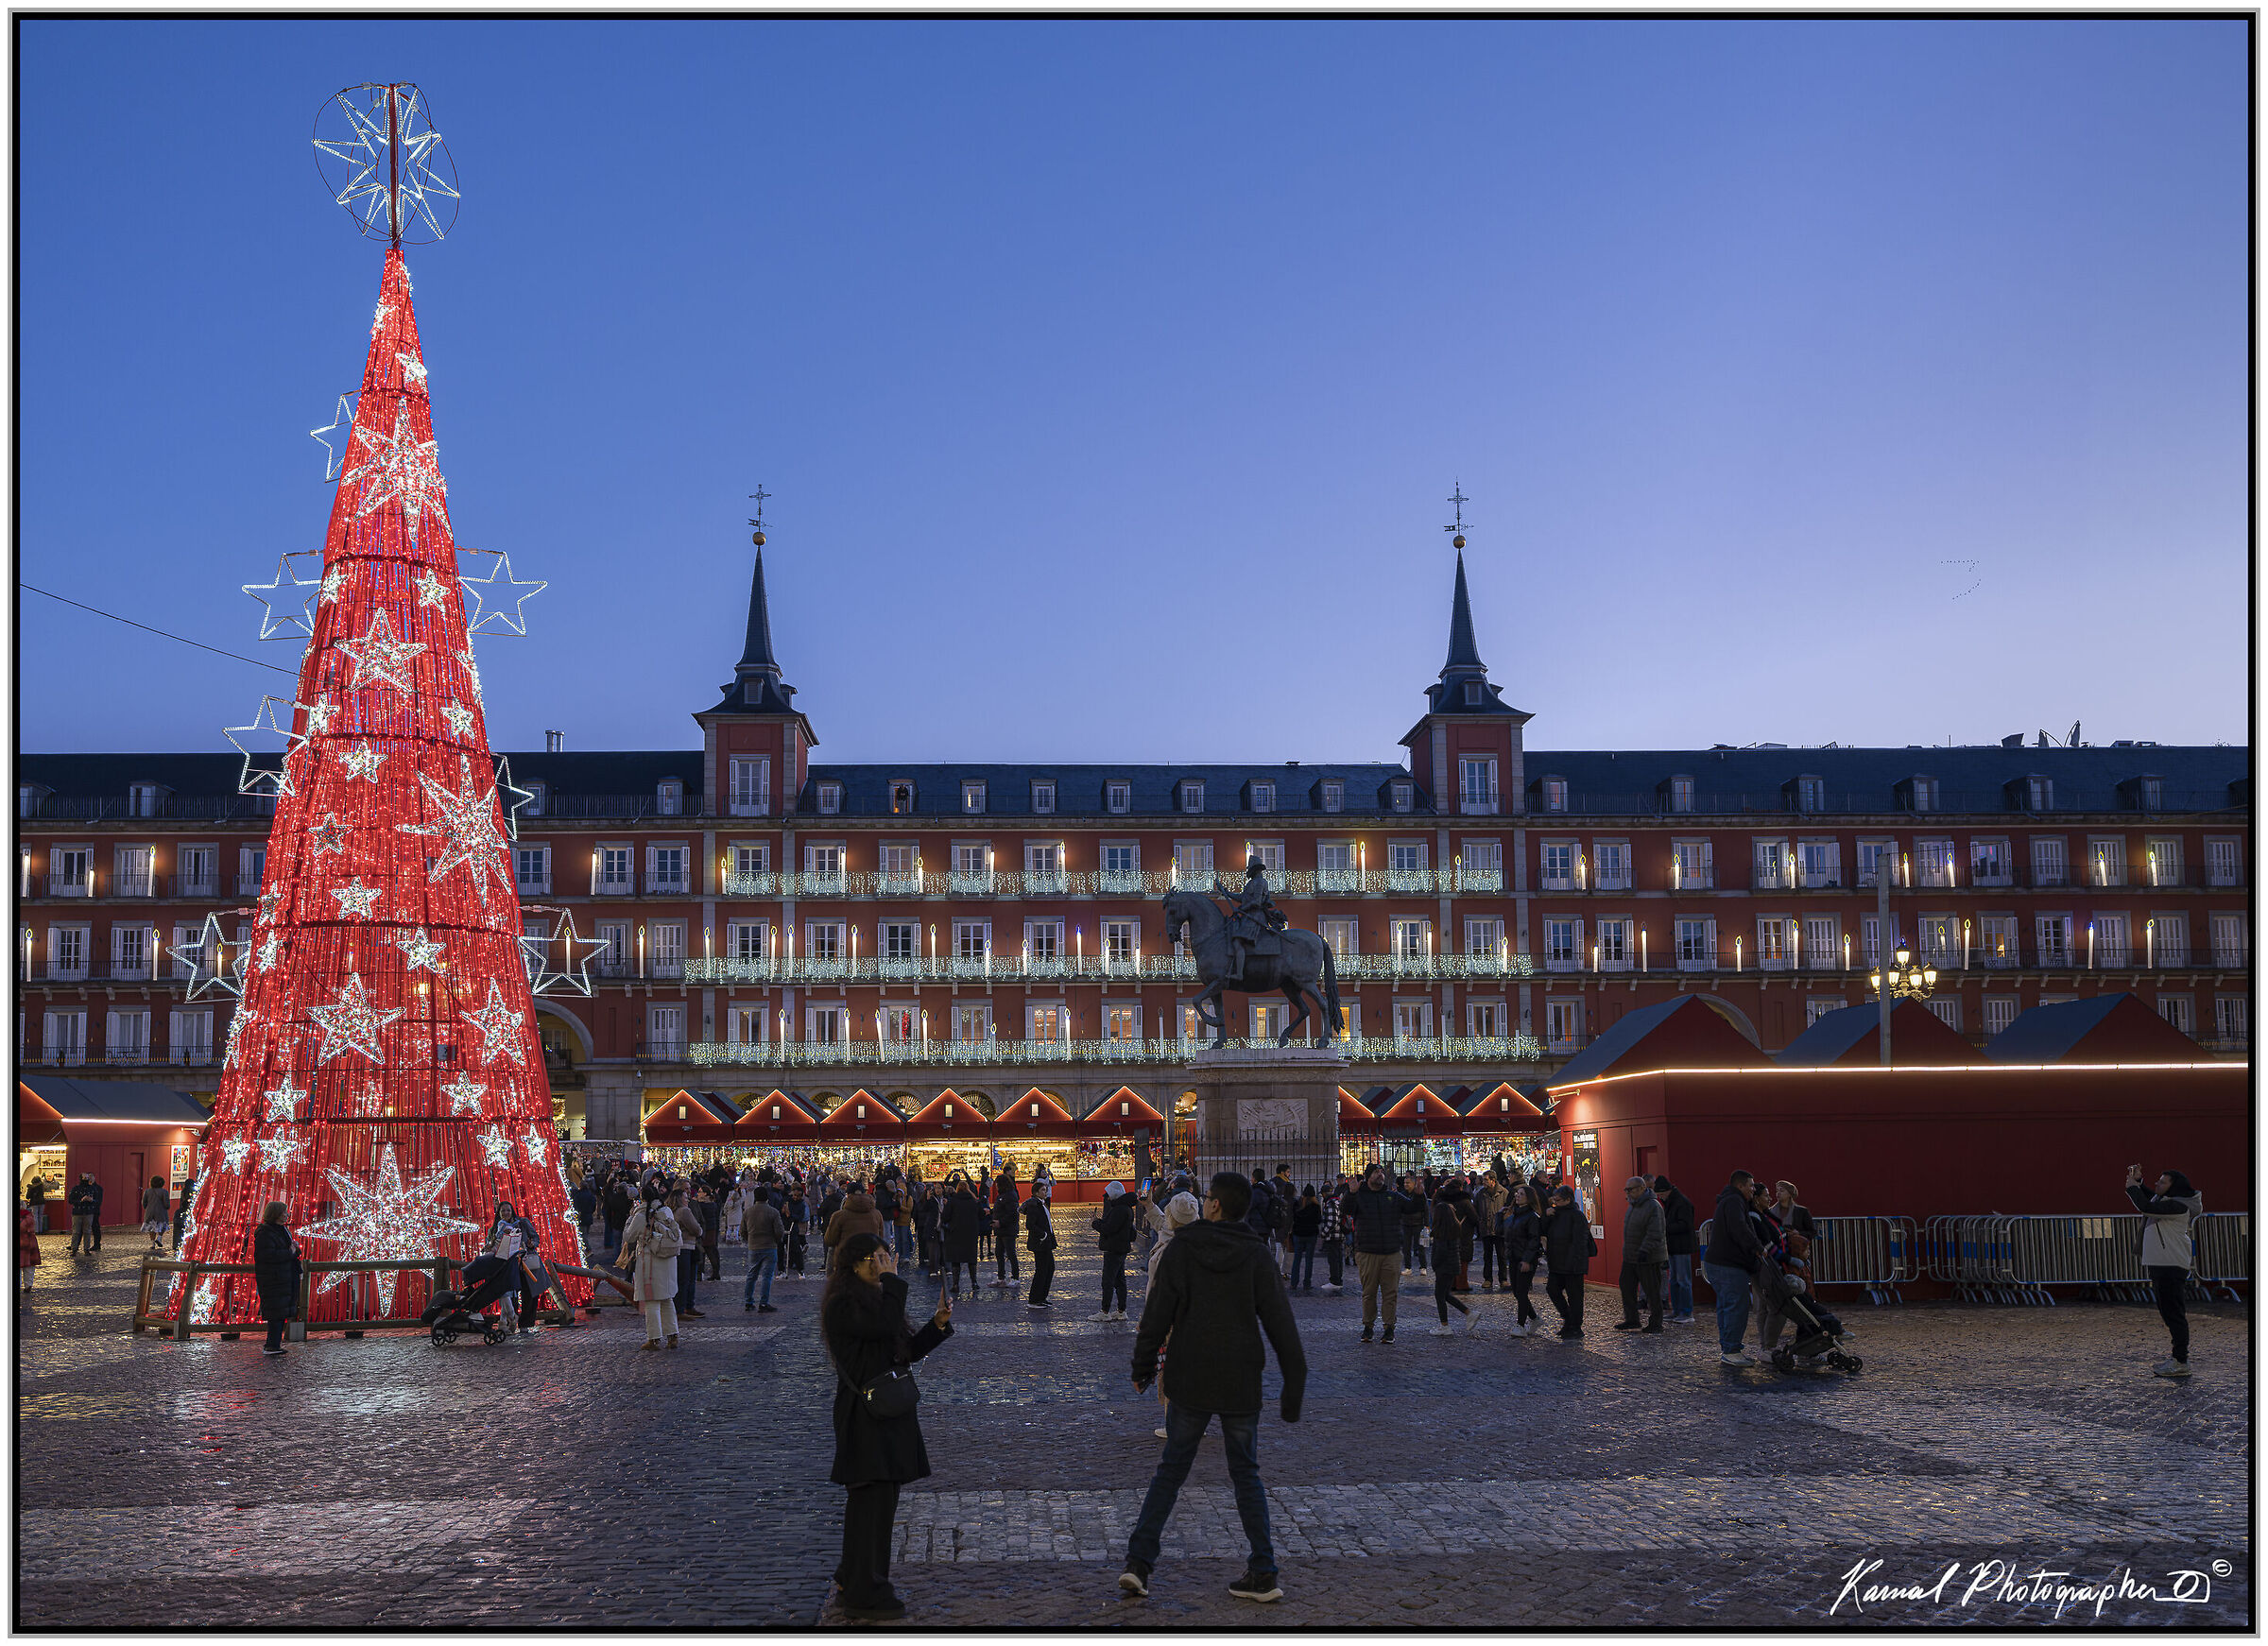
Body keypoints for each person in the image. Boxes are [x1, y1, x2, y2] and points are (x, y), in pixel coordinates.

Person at [1121, 1172, 1305, 1605]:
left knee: (1171, 1472)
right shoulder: (1256, 1254)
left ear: (1216, 1205)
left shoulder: (1183, 1248)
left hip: (1191, 1375)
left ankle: (1139, 1563)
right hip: (1241, 1378)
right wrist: (1294, 1384)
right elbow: (1281, 1324)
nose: (1204, 1201)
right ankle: (1263, 1572)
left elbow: (1157, 1313)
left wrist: (1143, 1366)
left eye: (1208, 1197)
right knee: (1246, 1474)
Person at [824, 1231, 954, 1621]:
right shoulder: (843, 1304)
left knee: (880, 1502)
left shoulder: (878, 1302)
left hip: (886, 1412)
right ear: (857, 1264)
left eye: (887, 1255)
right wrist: (895, 1284)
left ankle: (855, 1577)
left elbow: (903, 1351)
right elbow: (880, 1327)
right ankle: (866, 1587)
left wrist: (937, 1326)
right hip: (863, 1415)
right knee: (870, 1502)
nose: (887, 1262)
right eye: (878, 1257)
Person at [2125, 1163, 2203, 1378]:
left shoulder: (2178, 1206)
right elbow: (2151, 1199)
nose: (2157, 1183)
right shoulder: (2166, 1201)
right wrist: (2139, 1182)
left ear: (2174, 1187)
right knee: (2168, 1313)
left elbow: (2145, 1206)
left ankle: (2181, 1361)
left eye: (2163, 1181)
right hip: (2161, 1264)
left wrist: (2132, 1187)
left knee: (2174, 1314)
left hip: (2171, 1264)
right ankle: (2178, 1359)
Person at [1702, 1169, 1765, 1366]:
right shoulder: (1734, 1202)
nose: (1753, 1190)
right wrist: (1757, 1247)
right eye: (1751, 1185)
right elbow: (1739, 1229)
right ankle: (1731, 1349)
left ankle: (1729, 1347)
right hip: (1728, 1265)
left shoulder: (1729, 1201)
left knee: (1726, 1306)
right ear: (1740, 1185)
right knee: (1736, 1305)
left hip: (1719, 1264)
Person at [1346, 1164, 1414, 1345]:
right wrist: (1351, 1193)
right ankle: (1368, 1326)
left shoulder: (1392, 1195)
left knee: (1390, 1293)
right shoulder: (1359, 1195)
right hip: (1367, 1252)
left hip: (1391, 1252)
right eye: (1376, 1172)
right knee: (1369, 1293)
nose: (1380, 1174)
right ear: (1368, 1177)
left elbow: (1412, 1207)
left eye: (1382, 1172)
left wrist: (1419, 1193)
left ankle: (1389, 1327)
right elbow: (1346, 1210)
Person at [621, 1184, 684, 1350]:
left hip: (650, 1261)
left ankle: (654, 1338)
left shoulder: (642, 1214)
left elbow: (629, 1236)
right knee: (667, 1297)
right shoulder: (666, 1211)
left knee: (651, 1300)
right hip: (668, 1260)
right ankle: (673, 1336)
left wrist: (629, 1219)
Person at [1538, 1185, 1593, 1339]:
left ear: (1568, 1200)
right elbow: (1542, 1230)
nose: (1555, 1203)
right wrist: (1546, 1216)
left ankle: (1575, 1326)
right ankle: (1568, 1319)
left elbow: (1580, 1242)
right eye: (1554, 1200)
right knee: (1552, 1289)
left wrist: (1575, 1262)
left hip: (1572, 1264)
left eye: (1558, 1200)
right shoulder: (1554, 1214)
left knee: (1575, 1296)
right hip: (1557, 1262)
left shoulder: (1577, 1216)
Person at [1615, 1175, 1667, 1332]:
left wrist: (1645, 1250)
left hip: (1648, 1257)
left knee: (1652, 1291)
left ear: (1642, 1188)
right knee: (1626, 1286)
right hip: (1631, 1256)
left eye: (1630, 1189)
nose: (1628, 1193)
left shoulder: (1653, 1206)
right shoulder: (1633, 1206)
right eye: (1627, 1190)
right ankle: (1632, 1319)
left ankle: (1656, 1323)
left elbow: (1655, 1232)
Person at [251, 1200, 301, 1358]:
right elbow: (267, 1256)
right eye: (284, 1212)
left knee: (280, 1312)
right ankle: (271, 1345)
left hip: (284, 1277)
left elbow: (291, 1250)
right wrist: (290, 1252)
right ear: (277, 1214)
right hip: (274, 1278)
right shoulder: (265, 1233)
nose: (287, 1214)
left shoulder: (282, 1230)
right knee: (275, 1313)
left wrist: (294, 1249)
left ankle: (274, 1344)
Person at [1429, 1181, 1478, 1335]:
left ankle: (1445, 1325)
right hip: (1452, 1265)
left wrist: (1435, 1265)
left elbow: (1440, 1252)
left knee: (1440, 1295)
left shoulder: (1442, 1233)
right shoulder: (1453, 1228)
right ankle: (1468, 1313)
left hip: (1445, 1266)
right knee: (1445, 1294)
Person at [1500, 1183, 1543, 1336]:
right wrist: (1500, 1215)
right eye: (1517, 1193)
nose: (1517, 1195)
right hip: (1514, 1258)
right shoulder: (1514, 1215)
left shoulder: (1532, 1217)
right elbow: (1501, 1233)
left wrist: (1527, 1259)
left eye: (1521, 1194)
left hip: (1526, 1260)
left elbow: (1533, 1239)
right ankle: (1534, 1318)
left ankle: (1520, 1325)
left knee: (1522, 1292)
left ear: (1529, 1198)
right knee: (1517, 1292)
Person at [1655, 1175, 1697, 1325]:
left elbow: (1686, 1225)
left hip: (1681, 1247)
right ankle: (1678, 1311)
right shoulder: (1672, 1202)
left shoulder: (1680, 1203)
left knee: (1682, 1280)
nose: (1660, 1198)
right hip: (1674, 1247)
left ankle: (1686, 1312)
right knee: (1674, 1280)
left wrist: (1665, 1228)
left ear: (1667, 1191)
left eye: (1660, 1194)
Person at [1091, 1181, 1137, 1320]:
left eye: (1109, 1196)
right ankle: (1121, 1310)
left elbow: (1109, 1229)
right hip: (1121, 1248)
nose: (1108, 1199)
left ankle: (1105, 1312)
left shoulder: (1119, 1210)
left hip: (1114, 1248)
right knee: (1119, 1280)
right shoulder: (1126, 1208)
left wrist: (1095, 1223)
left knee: (1108, 1281)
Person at [743, 1179, 785, 1312]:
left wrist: (749, 1240)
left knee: (751, 1275)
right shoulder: (773, 1212)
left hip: (754, 1246)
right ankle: (763, 1302)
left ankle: (748, 1302)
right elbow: (779, 1231)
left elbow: (742, 1231)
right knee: (767, 1276)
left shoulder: (748, 1212)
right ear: (767, 1197)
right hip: (769, 1246)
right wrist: (777, 1240)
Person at [940, 1176, 983, 1300]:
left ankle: (955, 1284)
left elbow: (945, 1216)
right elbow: (981, 1215)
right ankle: (974, 1282)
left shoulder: (953, 1201)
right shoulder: (974, 1201)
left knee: (956, 1259)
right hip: (971, 1233)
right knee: (971, 1258)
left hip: (956, 1233)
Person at [1022, 1176, 1058, 1309]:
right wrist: (1042, 1234)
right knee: (1042, 1270)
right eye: (1043, 1190)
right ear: (1036, 1192)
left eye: (1046, 1189)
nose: (1045, 1192)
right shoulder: (1034, 1205)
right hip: (1040, 1242)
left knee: (1049, 1268)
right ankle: (1035, 1299)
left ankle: (1042, 1297)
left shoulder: (1042, 1204)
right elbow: (1030, 1224)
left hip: (1046, 1241)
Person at [1476, 1171, 1509, 1291]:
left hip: (1500, 1230)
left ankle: (1503, 1279)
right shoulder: (1480, 1194)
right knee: (1487, 1255)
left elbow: (1509, 1210)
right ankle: (1488, 1279)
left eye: (1485, 1180)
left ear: (1493, 1180)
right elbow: (1477, 1210)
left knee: (1502, 1255)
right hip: (1486, 1229)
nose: (1483, 1182)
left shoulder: (1504, 1193)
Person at [991, 1172, 1022, 1290]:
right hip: (1001, 1230)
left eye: (997, 1184)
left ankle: (1015, 1278)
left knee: (1011, 1253)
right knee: (999, 1253)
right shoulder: (1002, 1195)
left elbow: (1013, 1214)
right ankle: (1001, 1278)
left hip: (1008, 1230)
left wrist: (1001, 1222)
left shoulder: (1010, 1196)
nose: (996, 1186)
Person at [1289, 1186, 1321, 1292]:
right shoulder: (1316, 1206)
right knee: (1309, 1260)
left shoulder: (1298, 1204)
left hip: (1298, 1234)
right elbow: (1318, 1220)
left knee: (1296, 1260)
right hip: (1311, 1235)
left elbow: (1293, 1218)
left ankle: (1294, 1283)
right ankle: (1307, 1283)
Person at [1316, 1178, 1345, 1293]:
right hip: (1338, 1235)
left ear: (1324, 1194)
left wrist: (1324, 1233)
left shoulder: (1331, 1203)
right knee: (1337, 1259)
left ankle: (1335, 1281)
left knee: (1333, 1259)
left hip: (1333, 1236)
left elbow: (1332, 1221)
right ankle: (1337, 1279)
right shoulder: (1337, 1201)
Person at [66, 1172, 102, 1257]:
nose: (86, 1180)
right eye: (84, 1178)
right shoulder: (76, 1189)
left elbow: (97, 1201)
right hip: (77, 1213)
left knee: (87, 1231)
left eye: (87, 1178)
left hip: (88, 1212)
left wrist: (91, 1200)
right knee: (76, 1231)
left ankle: (86, 1249)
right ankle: (74, 1249)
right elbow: (70, 1200)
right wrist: (81, 1200)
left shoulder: (93, 1189)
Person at [1399, 1174, 1428, 1274]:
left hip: (1419, 1224)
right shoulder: (1402, 1194)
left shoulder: (1420, 1194)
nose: (1406, 1185)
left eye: (1408, 1183)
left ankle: (1423, 1267)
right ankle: (1408, 1267)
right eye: (1405, 1183)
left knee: (1421, 1247)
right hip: (1406, 1224)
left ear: (1413, 1184)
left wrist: (1426, 1224)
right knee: (1406, 1247)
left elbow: (1426, 1209)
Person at [139, 1175, 169, 1253]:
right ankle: (159, 1238)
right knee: (162, 1226)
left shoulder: (147, 1191)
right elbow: (166, 1204)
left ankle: (152, 1243)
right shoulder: (164, 1192)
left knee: (151, 1228)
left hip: (150, 1212)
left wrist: (147, 1208)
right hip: (161, 1212)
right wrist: (167, 1207)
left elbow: (144, 1202)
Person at [17, 1197, 40, 1305]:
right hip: (30, 1243)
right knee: (29, 1266)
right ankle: (28, 1285)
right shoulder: (30, 1216)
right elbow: (31, 1228)